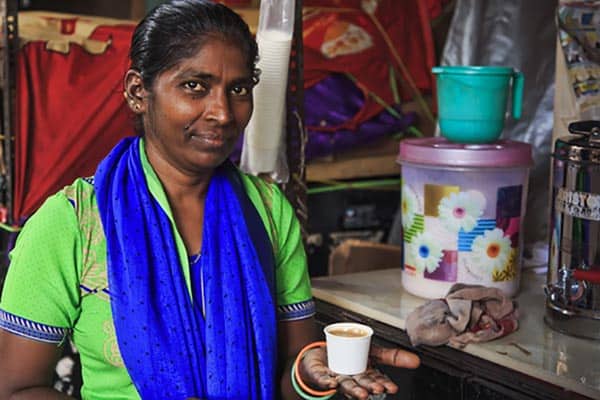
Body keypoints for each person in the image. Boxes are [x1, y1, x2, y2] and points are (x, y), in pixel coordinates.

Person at [0, 1, 420, 399]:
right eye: (194, 86)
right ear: (137, 91)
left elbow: (295, 369)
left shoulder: (269, 212)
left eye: (238, 88)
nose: (222, 112)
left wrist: (310, 374)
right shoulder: (73, 222)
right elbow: (15, 388)